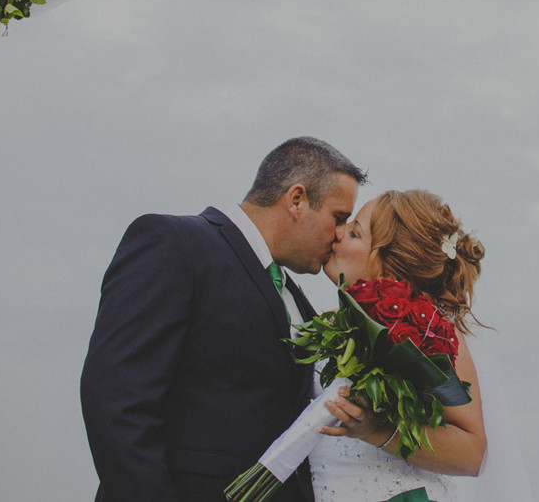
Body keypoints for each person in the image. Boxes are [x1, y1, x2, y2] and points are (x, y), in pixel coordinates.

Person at [80, 136, 367, 502]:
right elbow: (116, 397)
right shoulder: (175, 243)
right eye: (338, 217)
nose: (341, 233)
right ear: (297, 200)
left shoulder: (295, 298)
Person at [308, 189, 488, 502]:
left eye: (354, 232)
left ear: (387, 264)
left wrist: (374, 429)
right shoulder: (331, 323)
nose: (337, 232)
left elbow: (472, 452)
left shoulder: (429, 332)